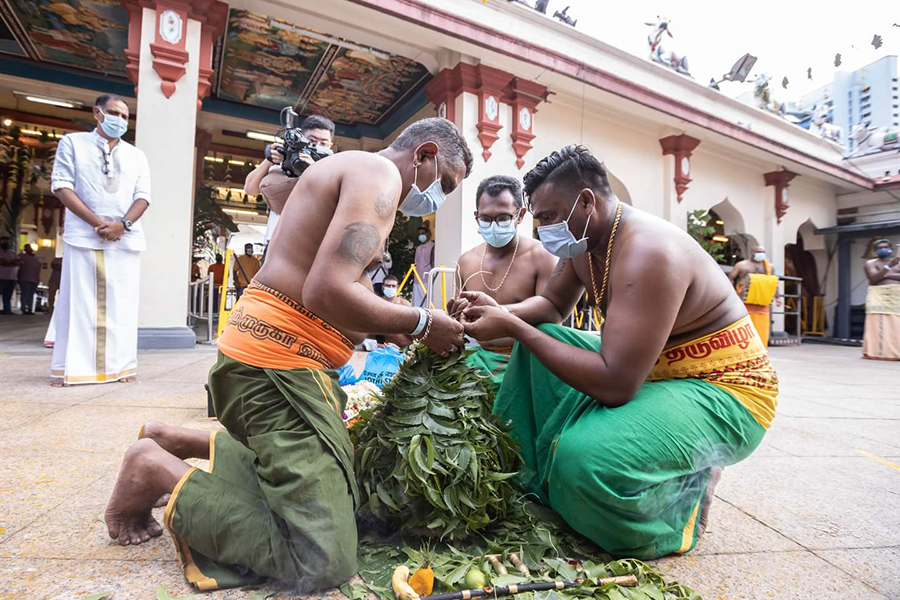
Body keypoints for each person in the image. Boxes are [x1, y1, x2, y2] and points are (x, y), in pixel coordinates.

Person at [103, 118, 472, 591]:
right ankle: (151, 467)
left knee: (340, 484)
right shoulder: (379, 178)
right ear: (423, 154)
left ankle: (177, 440)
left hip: (271, 357)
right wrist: (422, 323)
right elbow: (325, 289)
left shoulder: (353, 171)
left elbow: (331, 290)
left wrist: (397, 319)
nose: (437, 197)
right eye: (443, 183)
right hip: (274, 364)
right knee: (323, 559)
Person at [451, 145, 777, 560]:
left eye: (549, 217)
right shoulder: (584, 242)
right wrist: (496, 309)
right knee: (537, 342)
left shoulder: (649, 252)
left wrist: (513, 327)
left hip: (725, 390)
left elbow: (616, 385)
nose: (543, 228)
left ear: (586, 201)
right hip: (654, 371)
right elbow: (552, 307)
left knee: (582, 460)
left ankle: (681, 509)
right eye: (537, 218)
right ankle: (540, 481)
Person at [49, 94, 150, 386]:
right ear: (97, 113)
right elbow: (62, 186)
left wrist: (123, 224)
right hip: (84, 236)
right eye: (114, 113)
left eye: (125, 116)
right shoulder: (73, 143)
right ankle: (74, 370)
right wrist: (97, 224)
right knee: (79, 304)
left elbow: (143, 197)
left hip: (126, 240)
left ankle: (121, 368)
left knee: (123, 306)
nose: (120, 120)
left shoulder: (136, 155)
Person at [456, 175, 555, 386]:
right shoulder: (466, 261)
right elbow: (460, 321)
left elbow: (553, 318)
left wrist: (503, 314)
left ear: (520, 216)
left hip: (525, 365)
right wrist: (456, 315)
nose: (494, 225)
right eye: (486, 219)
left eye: (503, 218)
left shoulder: (542, 257)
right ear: (476, 216)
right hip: (476, 364)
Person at [244, 115, 336, 262]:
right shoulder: (283, 162)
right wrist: (269, 160)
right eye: (311, 141)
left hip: (313, 248)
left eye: (323, 143)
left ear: (330, 146)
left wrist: (312, 169)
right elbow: (250, 189)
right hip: (276, 244)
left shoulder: (333, 171)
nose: (316, 146)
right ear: (300, 139)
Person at [729, 245, 779, 346]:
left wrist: (777, 297)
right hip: (744, 301)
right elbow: (730, 279)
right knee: (743, 326)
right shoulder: (741, 265)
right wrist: (732, 294)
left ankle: (761, 348)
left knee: (762, 328)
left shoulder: (769, 267)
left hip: (762, 302)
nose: (761, 254)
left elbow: (773, 283)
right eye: (759, 251)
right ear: (752, 253)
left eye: (763, 252)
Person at [862, 239, 900, 360]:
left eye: (886, 247)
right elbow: (874, 279)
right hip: (878, 297)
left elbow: (880, 276)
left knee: (896, 325)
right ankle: (877, 352)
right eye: (880, 248)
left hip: (896, 298)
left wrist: (885, 274)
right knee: (878, 325)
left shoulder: (898, 262)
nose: (883, 249)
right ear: (875, 251)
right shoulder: (870, 263)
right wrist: (889, 267)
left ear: (891, 249)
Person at [17, 244, 43, 314]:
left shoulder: (36, 258)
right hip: (25, 278)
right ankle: (23, 308)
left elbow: (39, 268)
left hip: (34, 279)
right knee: (25, 294)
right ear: (25, 250)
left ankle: (30, 309)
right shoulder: (22, 257)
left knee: (31, 295)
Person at [413, 225, 434, 307]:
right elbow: (416, 262)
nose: (421, 236)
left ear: (428, 234)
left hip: (427, 279)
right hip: (417, 279)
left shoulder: (433, 246)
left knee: (427, 303)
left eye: (423, 233)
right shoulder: (418, 248)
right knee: (417, 303)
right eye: (419, 234)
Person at [0, 236, 19, 315]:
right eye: (4, 241)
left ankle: (7, 309)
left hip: (11, 277)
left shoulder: (11, 252)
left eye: (7, 242)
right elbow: (2, 262)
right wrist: (11, 262)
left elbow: (17, 262)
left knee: (8, 295)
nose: (6, 243)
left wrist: (8, 262)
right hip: (1, 276)